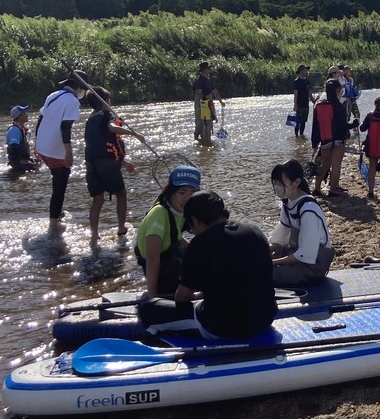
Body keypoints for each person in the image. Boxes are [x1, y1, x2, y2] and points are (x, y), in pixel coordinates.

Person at [138, 191, 276, 339]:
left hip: (221, 327)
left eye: (191, 227)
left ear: (195, 221)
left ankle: (154, 340)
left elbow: (182, 298)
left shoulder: (200, 243)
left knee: (148, 309)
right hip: (266, 317)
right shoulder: (255, 231)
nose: (192, 232)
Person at [84, 87, 145, 241]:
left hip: (91, 163)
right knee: (121, 194)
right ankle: (121, 228)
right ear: (106, 101)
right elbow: (111, 128)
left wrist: (123, 163)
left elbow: (100, 146)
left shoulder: (90, 120)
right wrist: (134, 133)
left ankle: (94, 234)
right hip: (107, 163)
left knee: (97, 200)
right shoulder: (107, 114)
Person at [34, 69, 90, 231]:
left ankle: (56, 213)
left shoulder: (53, 95)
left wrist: (36, 144)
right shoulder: (72, 101)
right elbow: (66, 127)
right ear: (79, 88)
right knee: (60, 184)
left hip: (43, 145)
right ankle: (53, 221)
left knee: (56, 180)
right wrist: (69, 153)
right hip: (54, 149)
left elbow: (40, 119)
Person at [135, 165, 201, 298]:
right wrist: (153, 297)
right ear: (171, 191)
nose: (186, 198)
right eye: (181, 193)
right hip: (160, 269)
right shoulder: (159, 213)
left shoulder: (179, 210)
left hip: (171, 256)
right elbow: (152, 258)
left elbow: (176, 236)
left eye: (192, 193)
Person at [268, 160, 334, 286]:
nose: (276, 186)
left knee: (262, 274)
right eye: (275, 182)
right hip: (296, 255)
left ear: (296, 183)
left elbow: (305, 254)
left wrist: (273, 262)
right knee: (251, 262)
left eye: (280, 183)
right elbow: (280, 239)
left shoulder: (308, 209)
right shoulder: (288, 203)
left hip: (313, 265)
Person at [311, 79, 359, 197]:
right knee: (336, 164)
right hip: (338, 140)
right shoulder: (339, 107)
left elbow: (315, 125)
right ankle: (333, 189)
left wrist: (314, 142)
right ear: (338, 90)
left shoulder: (319, 105)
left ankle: (317, 188)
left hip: (325, 139)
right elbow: (343, 126)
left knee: (325, 165)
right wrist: (355, 123)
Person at [193, 61, 224, 143]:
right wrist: (206, 98)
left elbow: (214, 91)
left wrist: (220, 101)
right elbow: (199, 93)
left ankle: (206, 141)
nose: (209, 70)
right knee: (201, 124)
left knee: (208, 123)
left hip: (208, 103)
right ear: (203, 70)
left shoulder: (208, 81)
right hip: (201, 104)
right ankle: (200, 140)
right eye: (208, 68)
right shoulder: (199, 81)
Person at [6, 105, 38, 172]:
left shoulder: (21, 128)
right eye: (25, 113)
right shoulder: (14, 130)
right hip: (19, 164)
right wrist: (21, 160)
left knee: (40, 163)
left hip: (23, 161)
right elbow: (13, 147)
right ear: (19, 116)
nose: (27, 115)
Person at [292, 64, 315, 138]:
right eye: (305, 70)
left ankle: (301, 135)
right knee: (298, 121)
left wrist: (313, 100)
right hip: (299, 104)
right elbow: (295, 94)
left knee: (304, 121)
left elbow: (309, 93)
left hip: (306, 104)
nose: (306, 72)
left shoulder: (307, 81)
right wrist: (295, 105)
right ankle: (296, 135)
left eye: (306, 70)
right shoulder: (296, 82)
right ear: (300, 72)